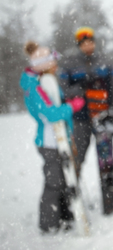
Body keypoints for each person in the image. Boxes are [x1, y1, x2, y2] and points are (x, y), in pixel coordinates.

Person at [20, 41, 85, 234]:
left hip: (60, 140)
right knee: (54, 182)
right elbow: (50, 114)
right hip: (49, 142)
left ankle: (65, 217)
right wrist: (72, 107)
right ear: (44, 65)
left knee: (64, 180)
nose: (56, 66)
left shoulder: (44, 81)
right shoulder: (35, 86)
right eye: (53, 62)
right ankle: (48, 224)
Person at [59, 27, 113, 215]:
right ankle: (69, 204)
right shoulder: (70, 64)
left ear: (94, 42)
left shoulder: (105, 62)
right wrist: (77, 92)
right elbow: (62, 89)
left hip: (103, 118)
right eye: (83, 43)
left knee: (106, 160)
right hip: (80, 120)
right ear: (79, 45)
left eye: (90, 42)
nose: (88, 46)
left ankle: (111, 201)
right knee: (76, 158)